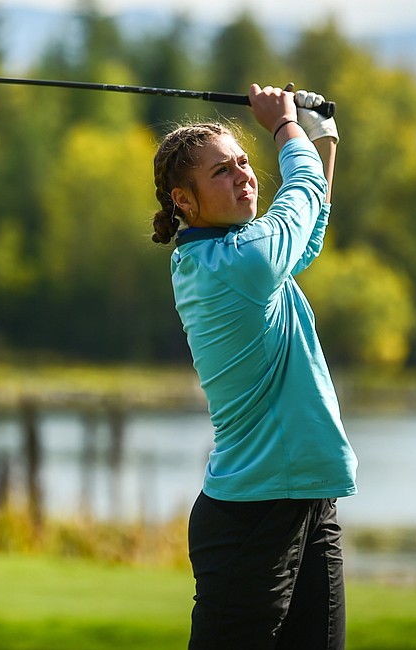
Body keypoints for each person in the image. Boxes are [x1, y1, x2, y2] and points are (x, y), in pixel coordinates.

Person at [151, 84, 357, 649]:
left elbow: (307, 232)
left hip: (308, 496)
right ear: (183, 201)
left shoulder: (242, 253)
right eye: (222, 171)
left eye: (244, 162)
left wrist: (321, 135)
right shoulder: (236, 263)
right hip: (253, 515)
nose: (244, 174)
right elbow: (304, 195)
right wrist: (283, 125)